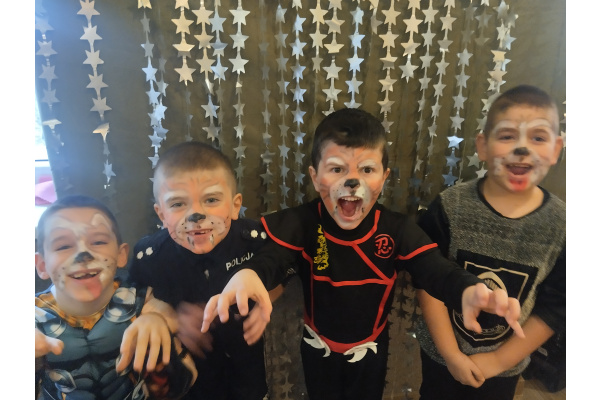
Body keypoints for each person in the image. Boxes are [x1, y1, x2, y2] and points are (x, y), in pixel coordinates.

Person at [200, 108, 525, 400]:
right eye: (336, 169)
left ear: (384, 178)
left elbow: (435, 269)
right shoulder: (304, 222)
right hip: (316, 348)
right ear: (314, 176)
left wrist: (467, 289)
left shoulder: (397, 229)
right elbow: (272, 259)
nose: (352, 181)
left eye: (367, 169)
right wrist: (249, 274)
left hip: (371, 351)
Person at [414, 84, 565, 400]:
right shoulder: (449, 207)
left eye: (538, 138)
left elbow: (557, 307)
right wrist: (451, 355)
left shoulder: (563, 226)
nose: (521, 149)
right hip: (441, 356)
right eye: (507, 136)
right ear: (482, 146)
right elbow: (427, 281)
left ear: (556, 149)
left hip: (504, 366)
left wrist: (498, 360)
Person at [129, 141, 280, 400]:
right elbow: (134, 297)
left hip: (246, 372)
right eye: (177, 204)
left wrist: (265, 301)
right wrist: (168, 317)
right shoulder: (150, 256)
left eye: (211, 200)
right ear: (161, 214)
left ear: (235, 205)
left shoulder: (254, 240)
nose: (196, 216)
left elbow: (284, 269)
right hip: (188, 378)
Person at [35, 194, 197, 400]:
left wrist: (158, 322)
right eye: (64, 246)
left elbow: (185, 380)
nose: (83, 255)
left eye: (98, 241)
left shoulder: (141, 302)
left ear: (121, 255)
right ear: (42, 265)